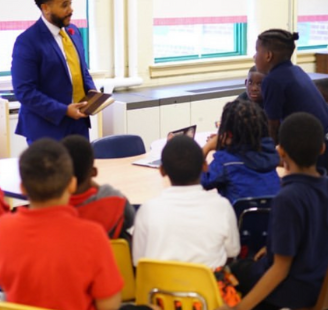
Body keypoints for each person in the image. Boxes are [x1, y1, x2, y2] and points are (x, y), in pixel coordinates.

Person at [224, 112, 328, 310]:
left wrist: (240, 308)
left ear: (281, 152)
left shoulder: (287, 197)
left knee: (233, 271)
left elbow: (280, 270)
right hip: (326, 282)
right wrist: (274, 246)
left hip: (294, 291)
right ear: (322, 149)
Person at [0, 138, 123, 310]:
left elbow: (3, 283)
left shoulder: (1, 229)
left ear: (22, 188)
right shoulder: (92, 235)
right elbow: (109, 305)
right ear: (72, 184)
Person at [253, 28, 328, 194]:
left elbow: (273, 128)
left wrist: (263, 158)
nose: (254, 57)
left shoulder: (273, 80)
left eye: (257, 51)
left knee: (321, 208)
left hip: (325, 151)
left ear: (268, 55)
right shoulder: (295, 71)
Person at [132, 135, 240, 269]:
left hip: (158, 289)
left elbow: (138, 261)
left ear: (162, 170)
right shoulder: (222, 207)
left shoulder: (147, 210)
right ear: (205, 166)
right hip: (208, 288)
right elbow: (233, 252)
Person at [12, 0, 96, 144]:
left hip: (79, 125)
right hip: (46, 129)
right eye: (64, 5)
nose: (70, 10)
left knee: (81, 170)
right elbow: (24, 91)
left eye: (70, 3)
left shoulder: (73, 32)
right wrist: (64, 110)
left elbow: (81, 71)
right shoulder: (27, 41)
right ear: (45, 7)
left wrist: (93, 98)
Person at [200, 99, 280, 204]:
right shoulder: (269, 153)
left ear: (228, 134)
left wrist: (207, 147)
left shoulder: (226, 162)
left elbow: (198, 182)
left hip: (240, 220)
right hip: (274, 218)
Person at [61, 134, 135, 239]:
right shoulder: (114, 199)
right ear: (93, 172)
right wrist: (99, 187)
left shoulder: (55, 210)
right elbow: (131, 219)